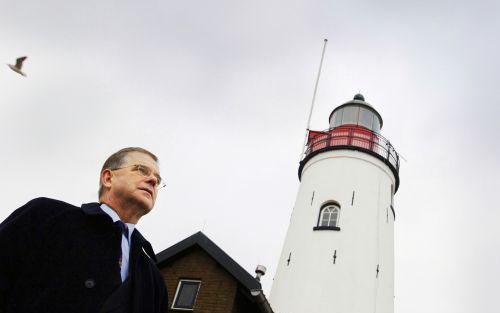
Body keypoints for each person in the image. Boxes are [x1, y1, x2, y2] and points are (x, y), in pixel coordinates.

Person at [0, 147, 168, 313]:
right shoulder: (46, 216)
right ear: (108, 178)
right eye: (141, 170)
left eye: (158, 179)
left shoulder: (153, 277)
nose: (153, 180)